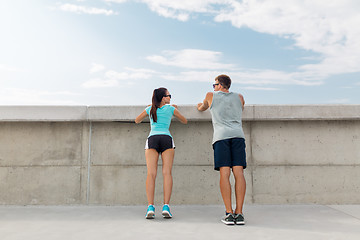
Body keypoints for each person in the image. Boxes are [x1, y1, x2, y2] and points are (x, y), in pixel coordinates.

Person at [197, 74, 246, 225]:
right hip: (238, 136)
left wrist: (199, 105)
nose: (213, 87)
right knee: (239, 173)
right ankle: (239, 213)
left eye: (214, 84)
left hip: (221, 137)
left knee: (225, 174)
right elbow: (240, 107)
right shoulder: (240, 97)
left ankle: (229, 213)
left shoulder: (211, 95)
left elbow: (202, 107)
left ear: (219, 85)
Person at [135, 87, 187, 219]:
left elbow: (137, 120)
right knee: (167, 173)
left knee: (151, 174)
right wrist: (174, 108)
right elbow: (184, 120)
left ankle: (150, 207)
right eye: (169, 95)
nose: (170, 98)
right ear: (163, 97)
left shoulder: (150, 109)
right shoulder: (170, 109)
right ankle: (166, 207)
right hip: (166, 139)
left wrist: (150, 108)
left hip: (152, 139)